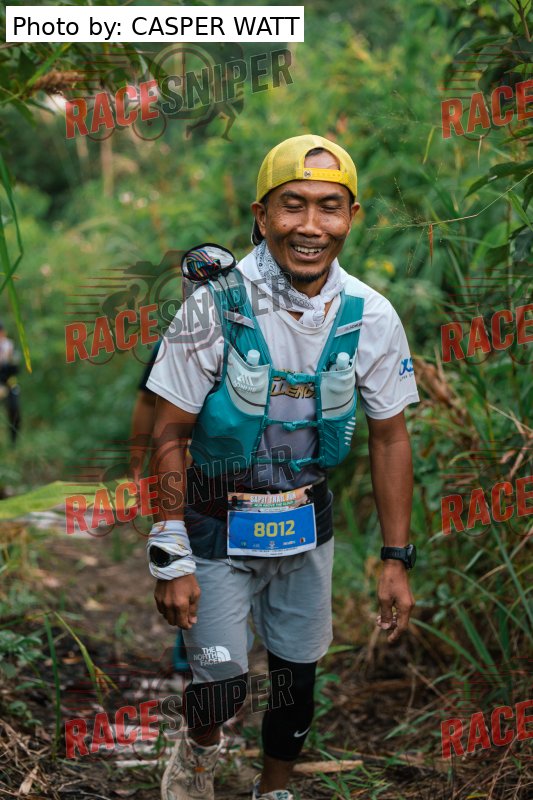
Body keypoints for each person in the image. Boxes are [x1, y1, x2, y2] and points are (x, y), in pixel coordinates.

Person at [145, 134, 420, 800]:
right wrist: (170, 550)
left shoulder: (370, 316)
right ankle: (200, 752)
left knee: (298, 681)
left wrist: (395, 557)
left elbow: (389, 437)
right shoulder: (214, 306)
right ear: (262, 215)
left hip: (305, 522)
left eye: (329, 206)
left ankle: (273, 789)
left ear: (351, 216)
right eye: (292, 205)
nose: (310, 225)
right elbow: (169, 429)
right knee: (220, 680)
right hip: (214, 520)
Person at [0, 321, 21, 445]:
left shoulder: (10, 346)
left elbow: (15, 368)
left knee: (14, 409)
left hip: (9, 382)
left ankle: (14, 441)